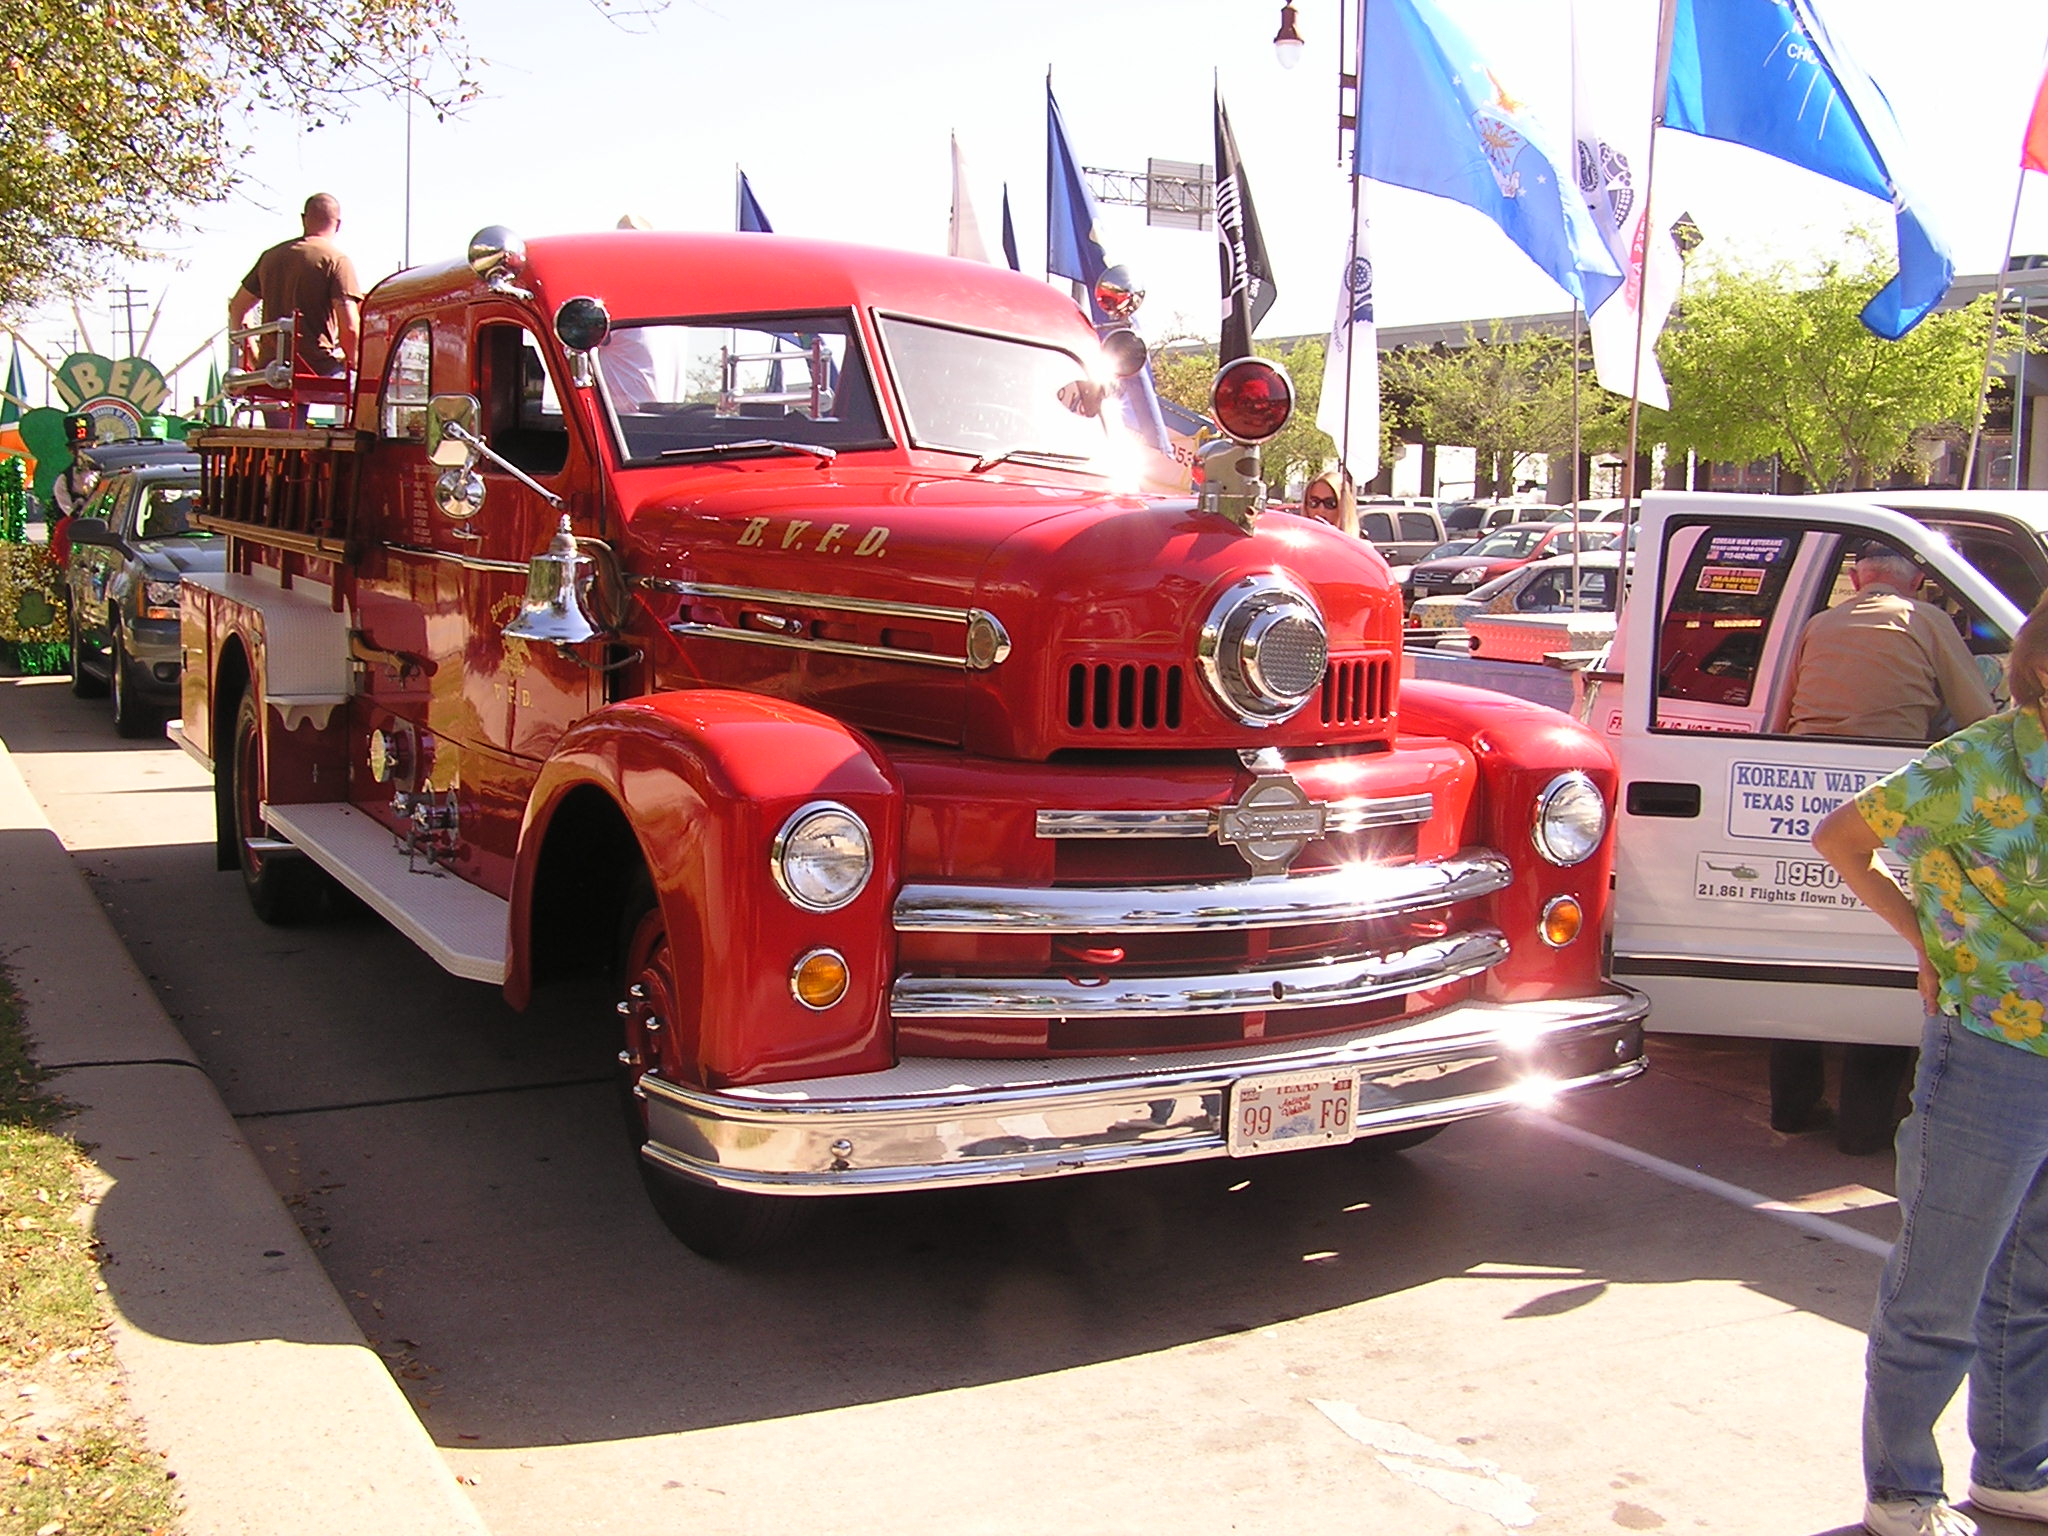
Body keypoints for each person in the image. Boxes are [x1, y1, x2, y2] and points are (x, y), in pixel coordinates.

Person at [1812, 597, 2048, 1536]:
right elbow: (1842, 837)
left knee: (2031, 1285)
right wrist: (1928, 941)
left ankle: (2014, 1470)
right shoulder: (1976, 764)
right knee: (1939, 1289)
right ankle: (1902, 1493)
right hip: (1991, 1052)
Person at [1768, 544, 1998, 1154]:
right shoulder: (1927, 620)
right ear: (1919, 583)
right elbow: (1980, 719)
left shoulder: (1818, 624)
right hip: (1888, 791)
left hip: (1802, 785)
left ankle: (1791, 1108)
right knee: (1881, 956)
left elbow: (1779, 711)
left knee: (1803, 956)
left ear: (1854, 579)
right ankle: (1863, 1129)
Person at [227, 193, 363, 425]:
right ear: (338, 224)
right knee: (379, 391)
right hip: (317, 368)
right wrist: (357, 365)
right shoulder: (336, 261)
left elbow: (237, 308)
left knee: (283, 444)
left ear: (303, 219)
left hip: (272, 369)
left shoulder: (271, 257)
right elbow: (349, 326)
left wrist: (252, 354)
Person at [1301, 472, 1358, 537]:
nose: (1321, 510)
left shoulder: (1358, 546)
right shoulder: (1296, 544)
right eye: (1314, 502)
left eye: (1330, 503)